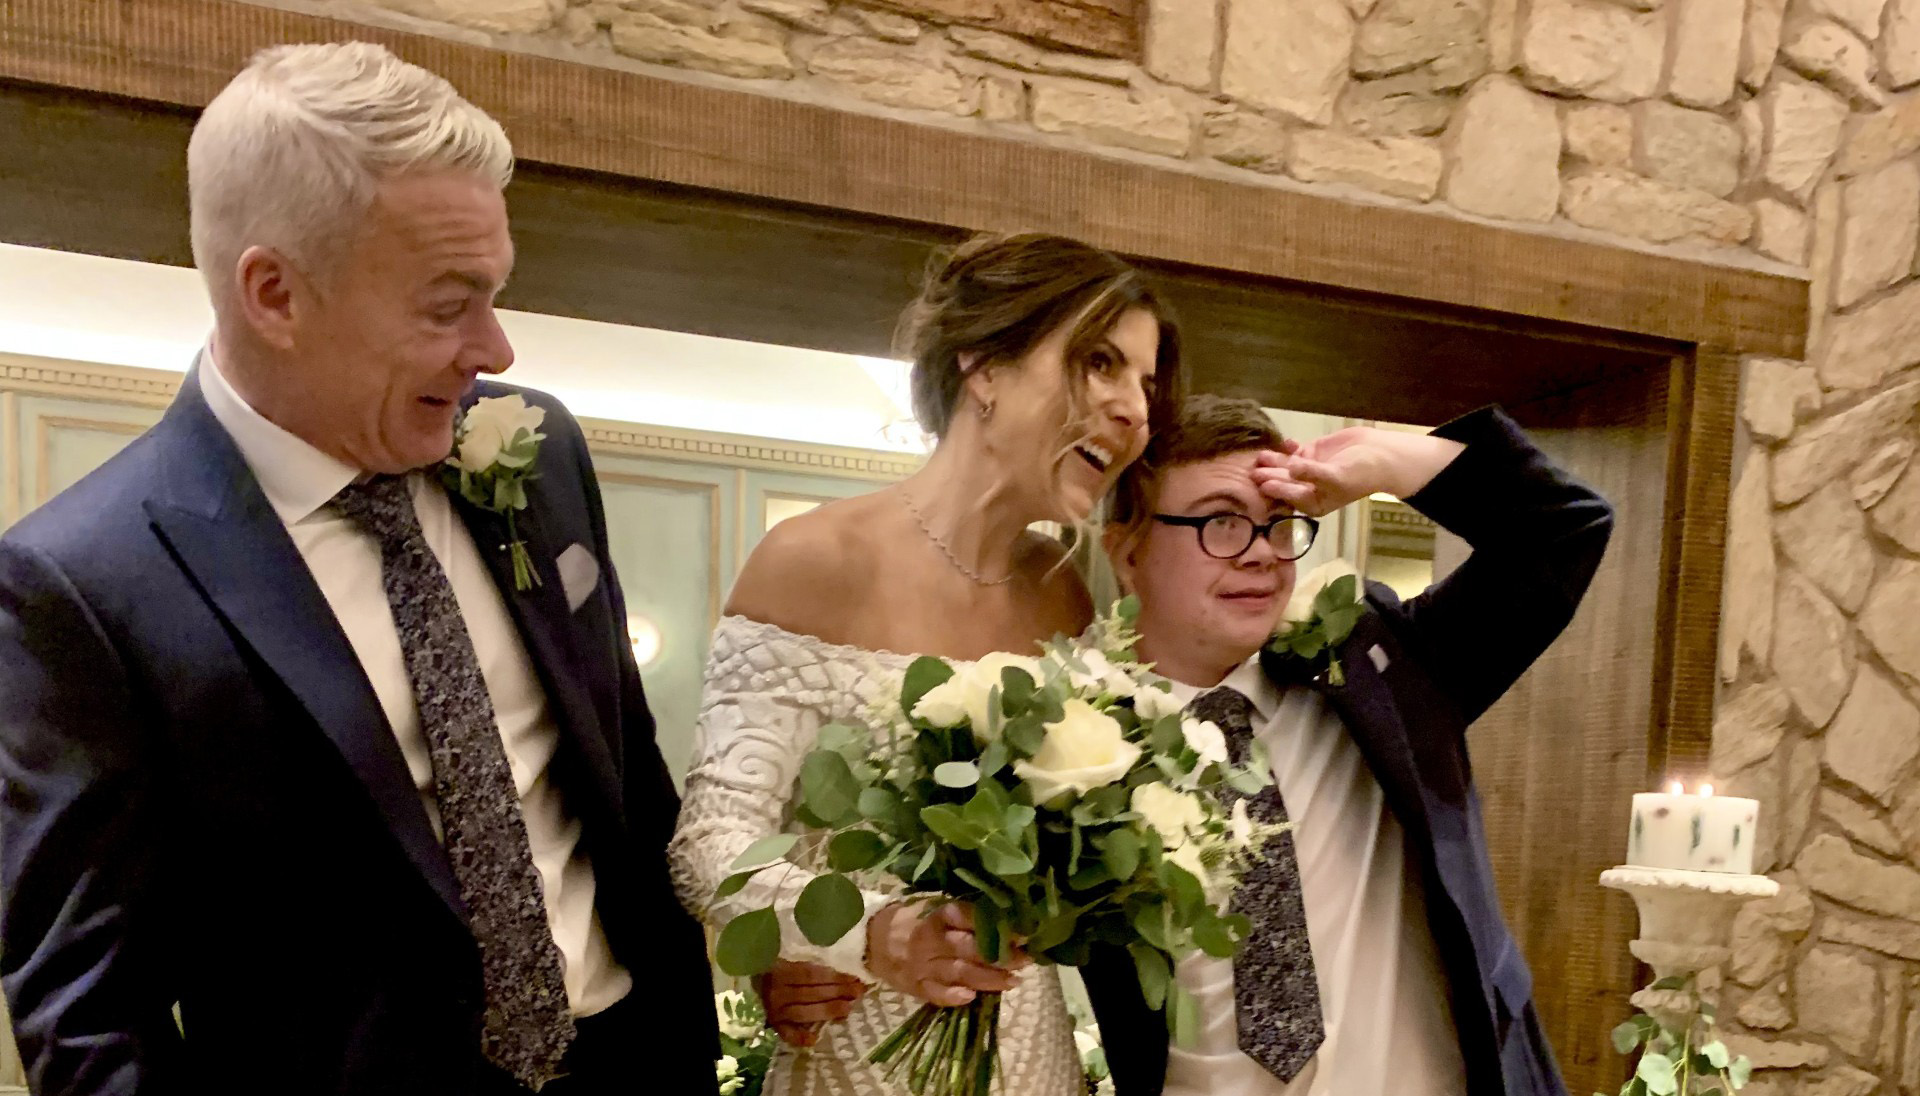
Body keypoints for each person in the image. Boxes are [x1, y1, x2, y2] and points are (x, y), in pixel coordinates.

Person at [0, 43, 715, 1095]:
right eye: (447, 304)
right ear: (275, 294)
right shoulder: (79, 584)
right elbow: (93, 1011)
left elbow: (626, 774)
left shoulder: (540, 453)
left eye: (495, 294)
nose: (497, 349)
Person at [669, 232, 1183, 1095]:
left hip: (1033, 1060)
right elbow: (709, 848)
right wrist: (859, 935)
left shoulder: (1067, 593)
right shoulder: (814, 558)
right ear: (984, 366)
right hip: (853, 1061)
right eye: (1101, 364)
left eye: (1146, 383)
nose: (1134, 409)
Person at [1075, 394, 1610, 1095]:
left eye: (1279, 522)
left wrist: (1386, 463)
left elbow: (1563, 529)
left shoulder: (1377, 676)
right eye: (1222, 522)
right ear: (1128, 551)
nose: (1261, 553)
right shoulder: (1074, 754)